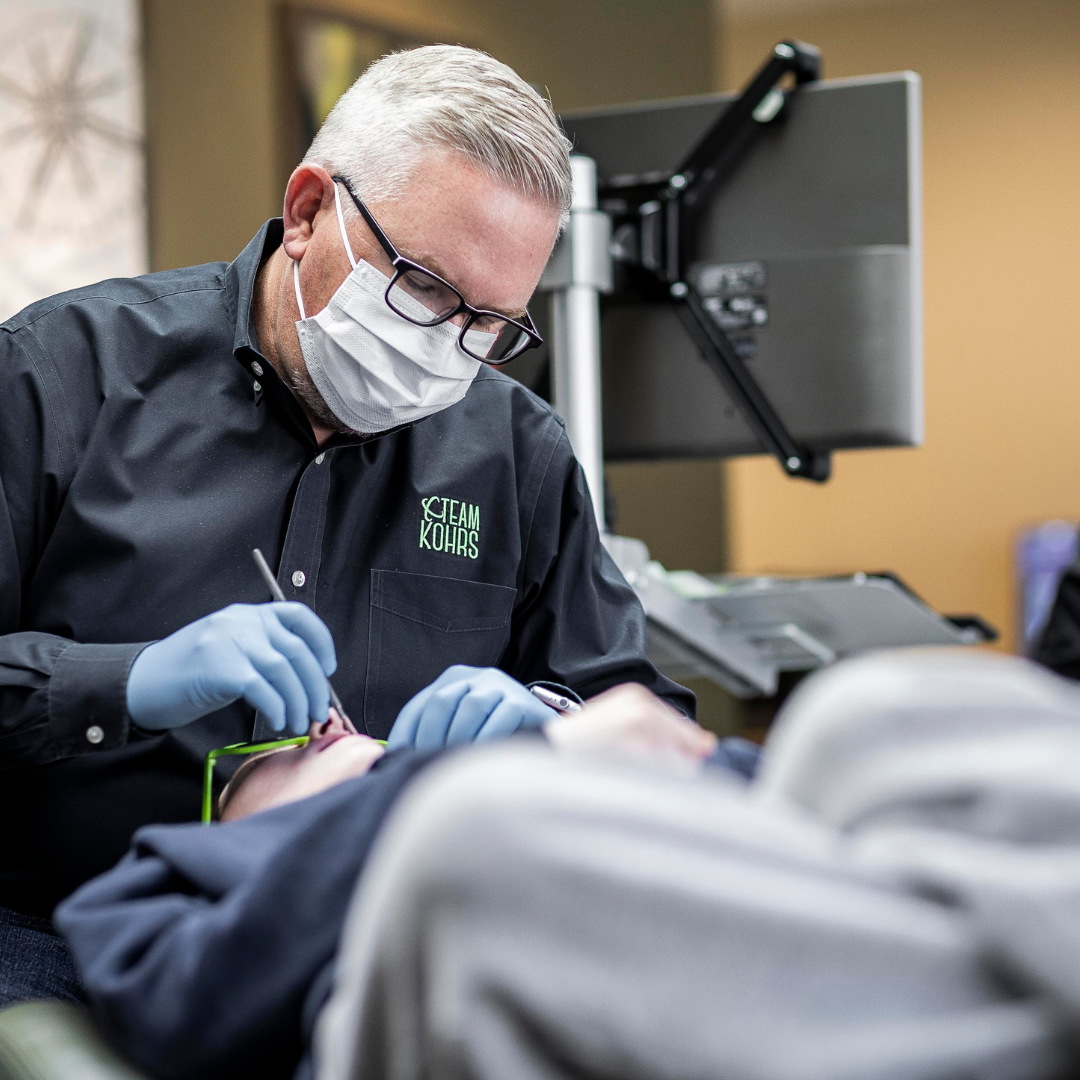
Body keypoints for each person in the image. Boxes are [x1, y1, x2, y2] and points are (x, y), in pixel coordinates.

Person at [0, 43, 690, 1000]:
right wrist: (124, 684)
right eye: (425, 287)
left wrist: (556, 725)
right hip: (59, 933)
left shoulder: (513, 450)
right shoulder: (62, 373)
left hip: (371, 947)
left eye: (490, 323)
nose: (447, 349)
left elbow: (646, 724)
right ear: (307, 211)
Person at [59, 650, 1080, 1080]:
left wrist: (571, 731)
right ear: (219, 821)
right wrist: (475, 773)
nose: (325, 721)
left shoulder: (531, 784)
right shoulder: (177, 879)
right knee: (475, 835)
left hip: (787, 889)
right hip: (484, 951)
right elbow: (183, 1002)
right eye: (281, 750)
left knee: (869, 716)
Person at [56, 683, 721, 1080]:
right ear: (231, 847)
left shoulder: (494, 821)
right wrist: (529, 757)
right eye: (285, 756)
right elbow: (169, 990)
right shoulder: (184, 913)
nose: (323, 723)